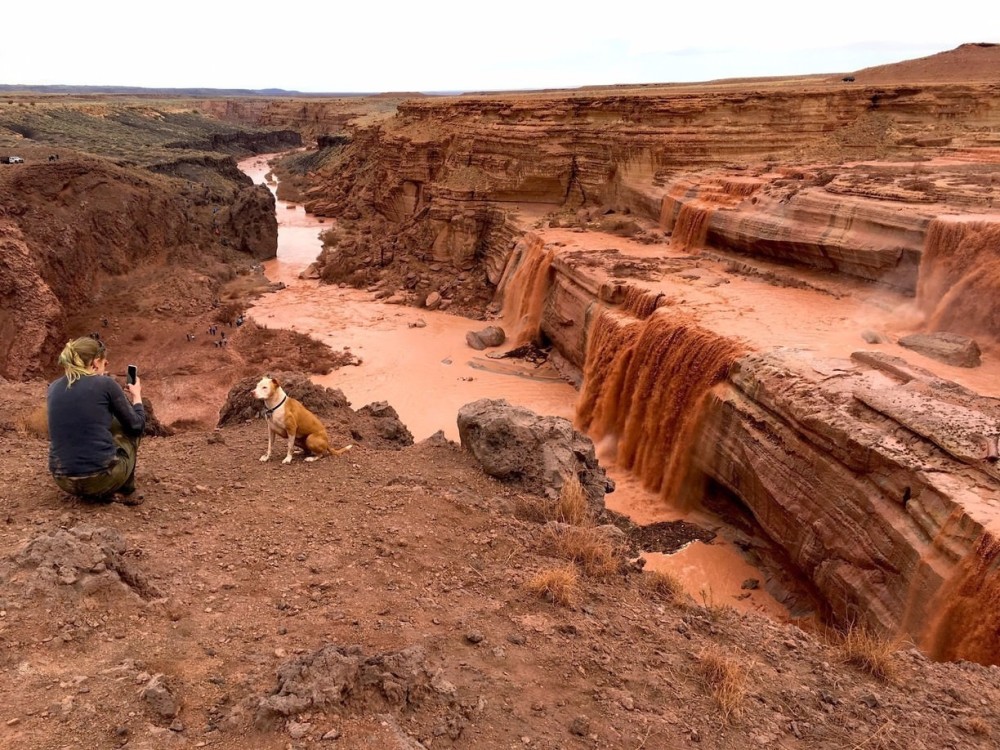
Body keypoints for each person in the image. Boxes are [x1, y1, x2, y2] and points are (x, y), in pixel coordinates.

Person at [47, 336, 146, 504]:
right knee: (127, 427)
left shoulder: (53, 387)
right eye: (104, 363)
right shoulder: (105, 384)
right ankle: (128, 491)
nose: (105, 367)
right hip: (101, 481)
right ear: (94, 363)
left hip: (63, 481)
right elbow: (136, 425)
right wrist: (136, 396)